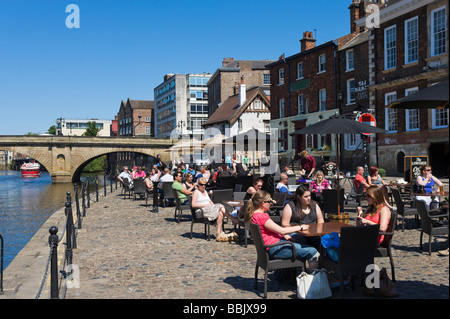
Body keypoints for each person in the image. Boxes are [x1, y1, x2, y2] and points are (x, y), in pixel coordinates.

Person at [244, 190, 320, 270]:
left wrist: (284, 235)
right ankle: (316, 279)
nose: (270, 203)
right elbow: (282, 230)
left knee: (300, 239)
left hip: (270, 247)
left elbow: (273, 230)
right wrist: (301, 227)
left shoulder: (254, 215)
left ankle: (293, 274)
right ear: (263, 203)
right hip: (275, 248)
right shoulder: (262, 217)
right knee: (313, 252)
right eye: (269, 201)